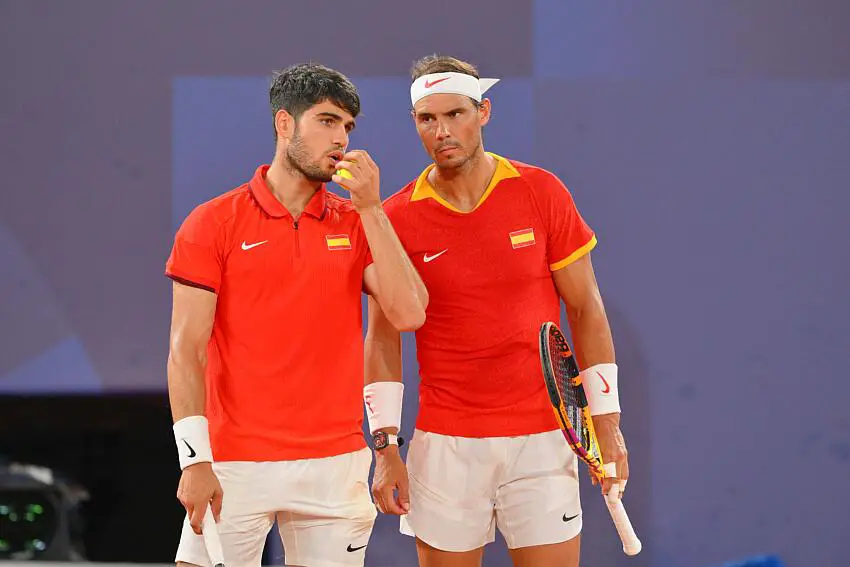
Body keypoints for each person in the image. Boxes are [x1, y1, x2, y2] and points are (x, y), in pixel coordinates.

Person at [363, 55, 631, 567]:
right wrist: (385, 448)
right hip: (445, 447)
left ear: (483, 112)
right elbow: (381, 338)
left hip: (543, 441)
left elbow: (585, 308)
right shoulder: (394, 217)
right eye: (427, 119)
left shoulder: (541, 192)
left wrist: (607, 422)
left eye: (456, 114)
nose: (442, 131)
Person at [165, 62, 428, 567]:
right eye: (327, 121)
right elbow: (185, 351)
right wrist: (194, 460)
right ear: (284, 123)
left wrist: (372, 208)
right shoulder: (212, 223)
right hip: (235, 461)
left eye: (348, 126)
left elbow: (410, 312)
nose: (341, 138)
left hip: (336, 465)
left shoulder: (356, 224)